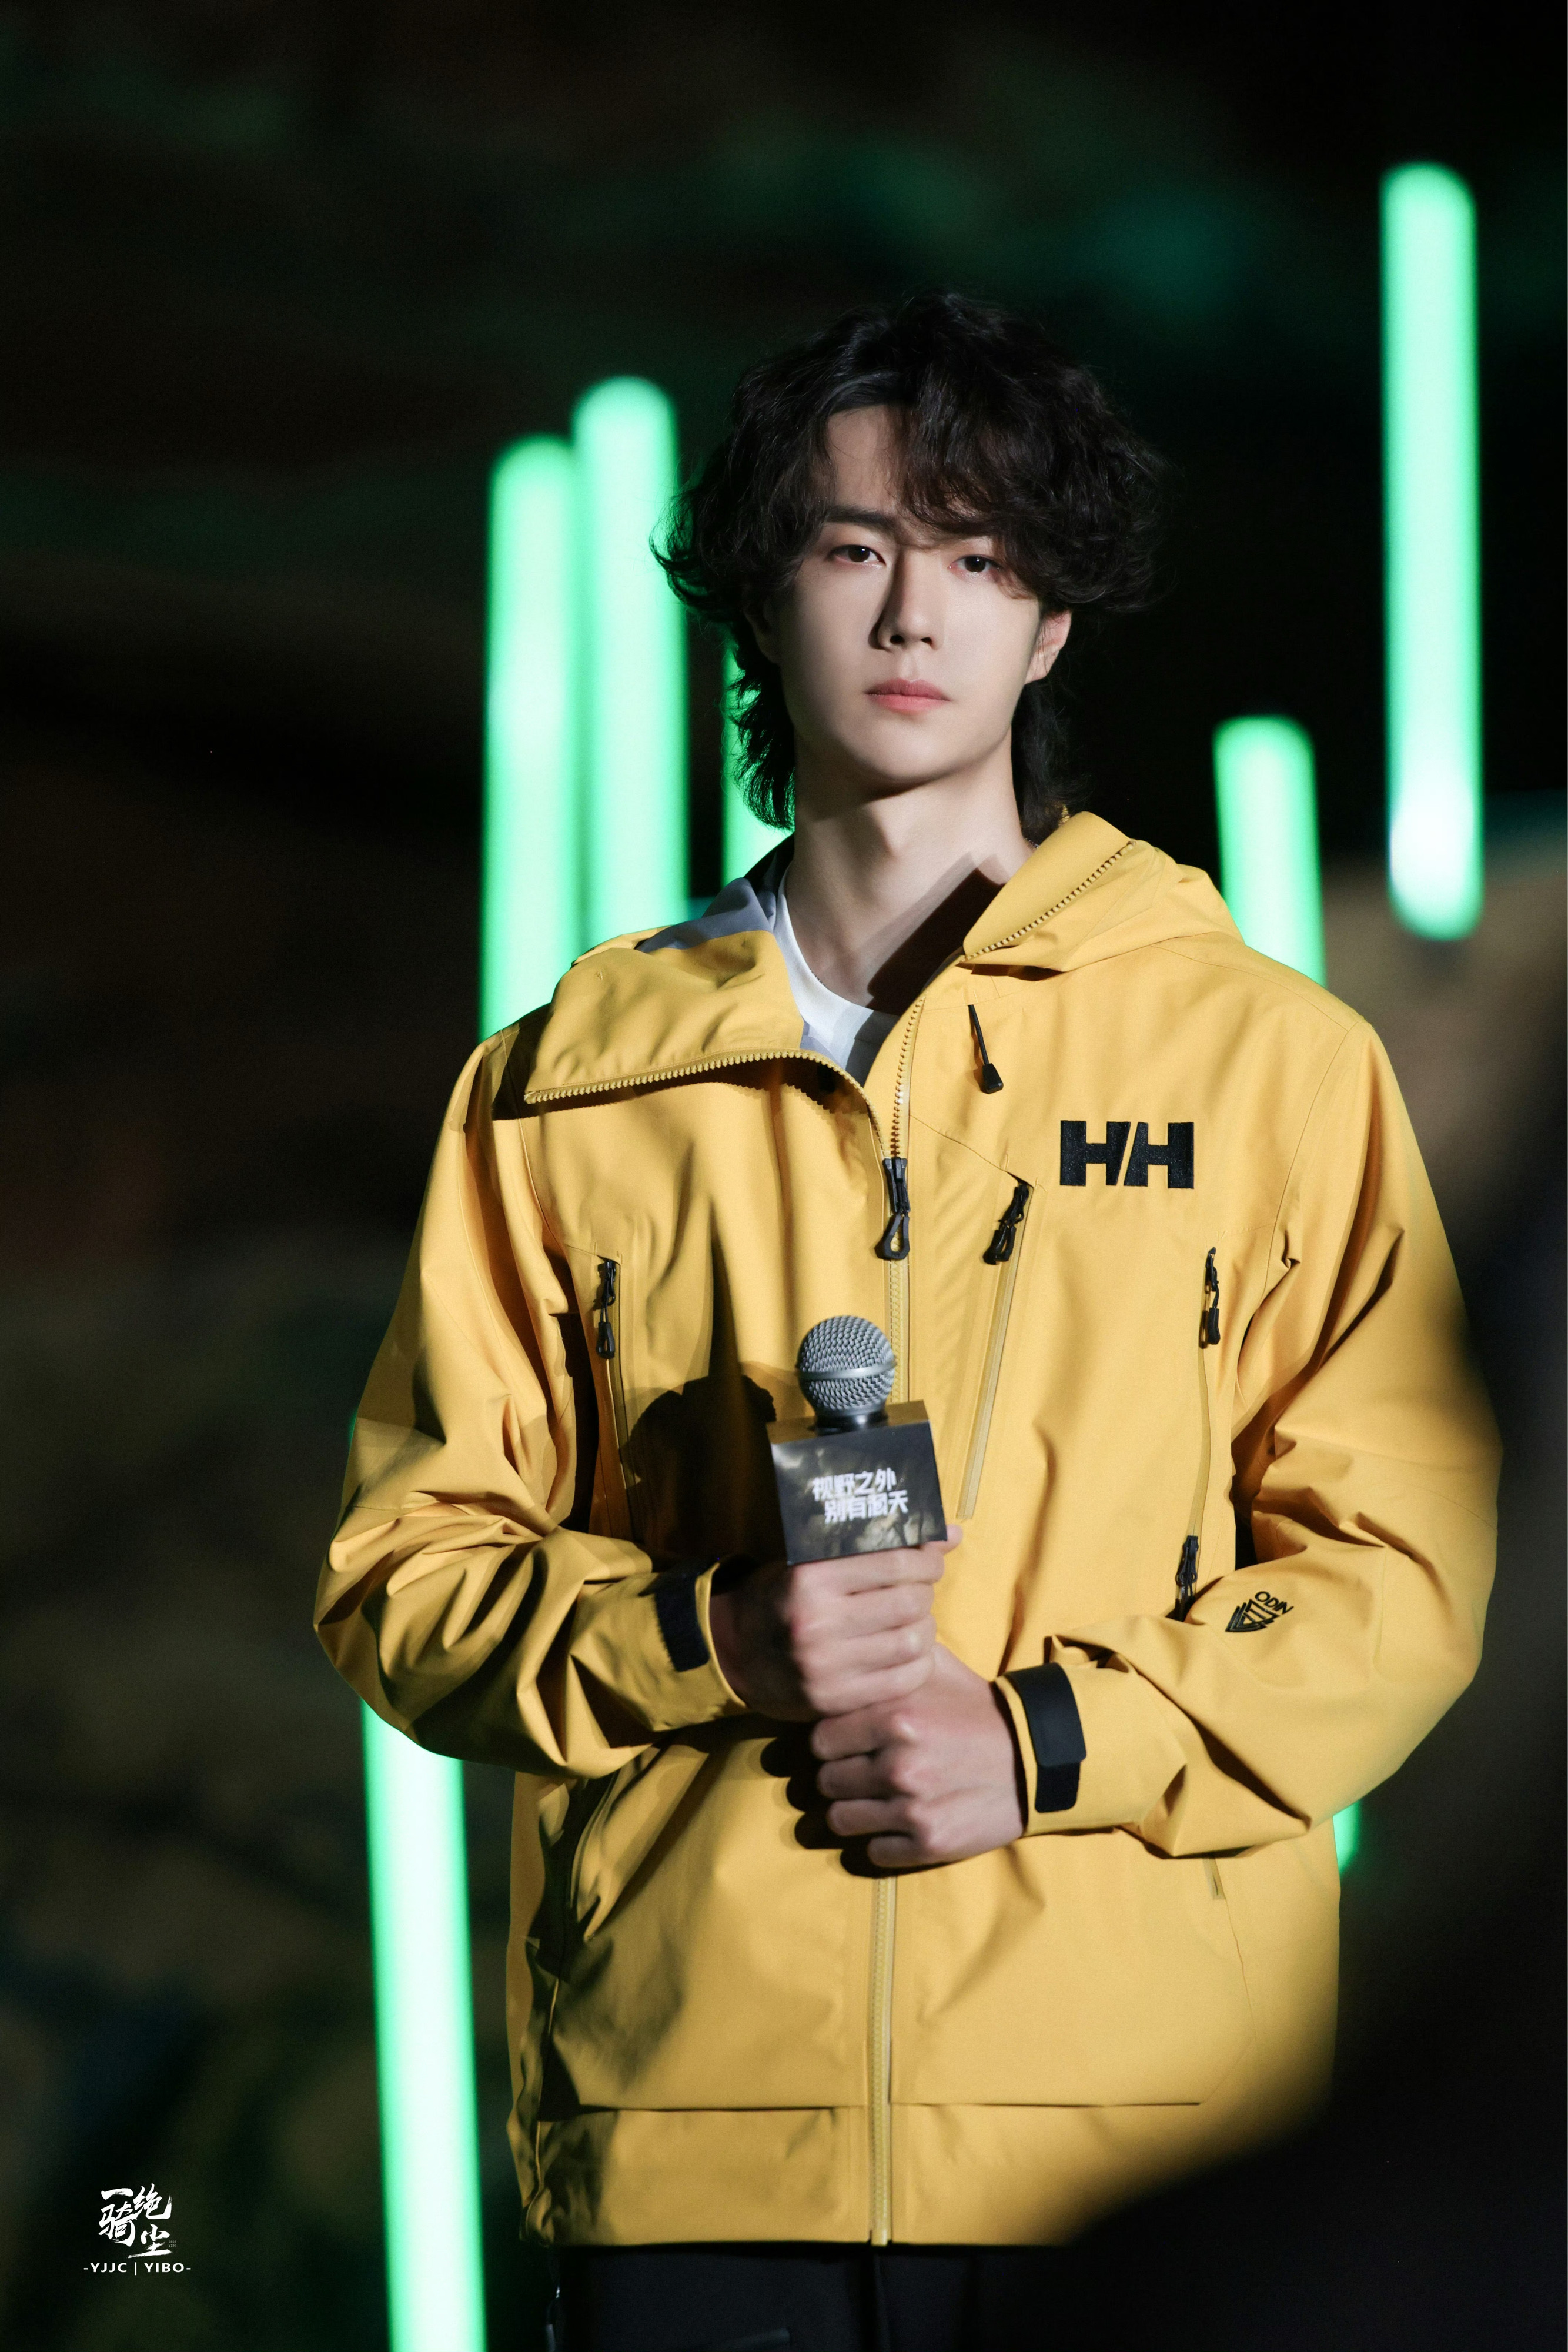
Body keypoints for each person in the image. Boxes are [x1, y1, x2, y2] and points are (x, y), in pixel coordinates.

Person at [315, 292, 1497, 2351]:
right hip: (696, 2140)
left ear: (1051, 620)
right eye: (853, 545)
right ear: (760, 599)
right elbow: (405, 1574)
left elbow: (1403, 1566)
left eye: (975, 555)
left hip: (1136, 2150)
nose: (910, 609)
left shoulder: (1263, 1063)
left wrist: (1044, 1743)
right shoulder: (566, 1087)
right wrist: (710, 1640)